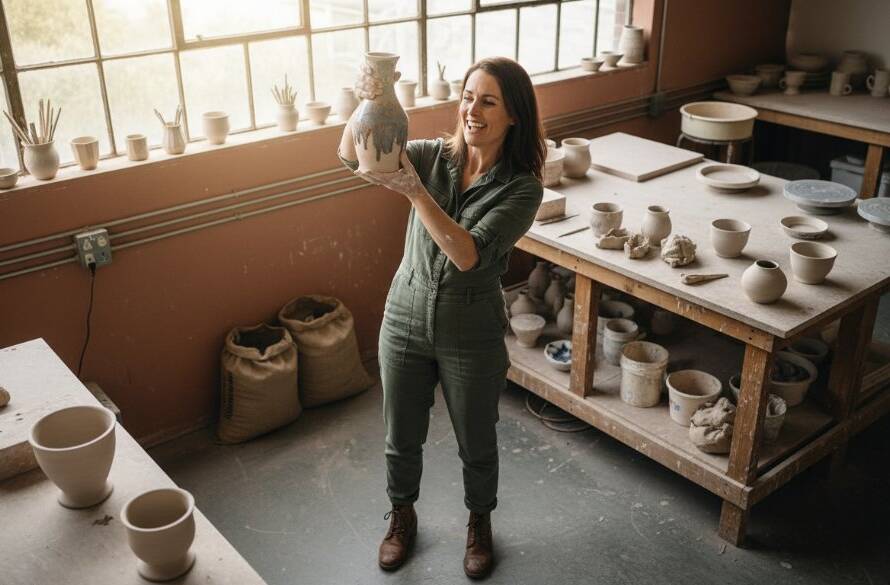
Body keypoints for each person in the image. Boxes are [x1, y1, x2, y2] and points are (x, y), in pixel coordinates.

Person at [337, 56, 545, 579]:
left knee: (477, 440)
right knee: (400, 434)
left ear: (514, 115)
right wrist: (370, 98)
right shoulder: (433, 155)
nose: (472, 110)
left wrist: (415, 192)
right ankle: (401, 516)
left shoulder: (522, 188)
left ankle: (480, 523)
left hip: (469, 328)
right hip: (405, 313)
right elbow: (353, 157)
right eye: (468, 97)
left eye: (488, 101)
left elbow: (466, 253)